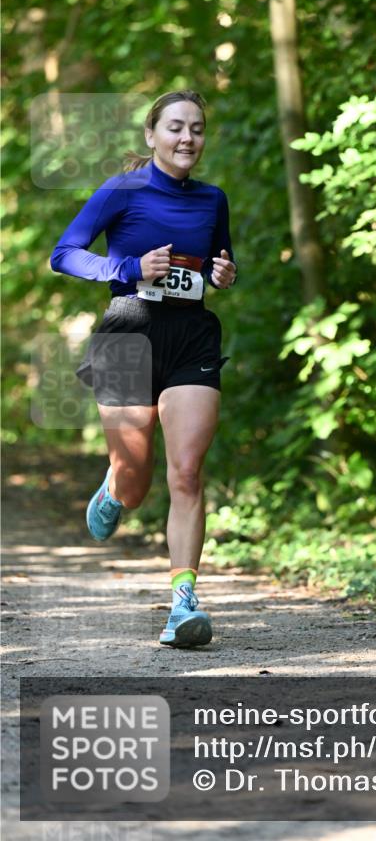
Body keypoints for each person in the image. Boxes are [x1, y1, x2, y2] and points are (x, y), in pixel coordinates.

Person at [50, 90, 237, 648]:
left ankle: (183, 604)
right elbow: (65, 252)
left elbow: (217, 264)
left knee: (186, 472)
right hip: (128, 330)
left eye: (197, 129)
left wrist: (225, 275)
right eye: (176, 127)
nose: (188, 139)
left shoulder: (213, 199)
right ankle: (114, 487)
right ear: (151, 136)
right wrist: (130, 266)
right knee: (136, 478)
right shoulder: (121, 190)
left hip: (191, 334)